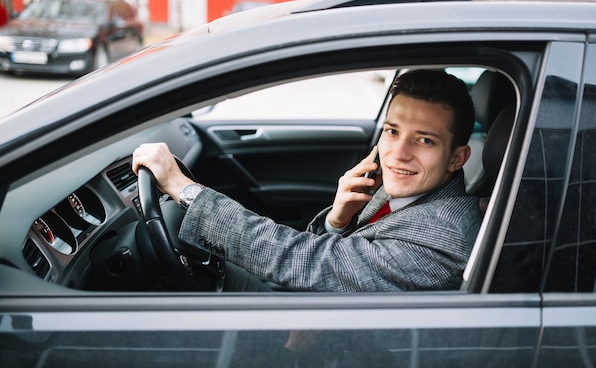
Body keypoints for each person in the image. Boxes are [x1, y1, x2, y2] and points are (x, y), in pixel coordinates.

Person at [132, 69, 482, 292]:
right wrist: (337, 221)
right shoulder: (408, 191)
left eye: (424, 140)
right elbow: (337, 266)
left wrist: (184, 190)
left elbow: (306, 260)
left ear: (457, 158)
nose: (398, 153)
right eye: (392, 131)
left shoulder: (442, 236)